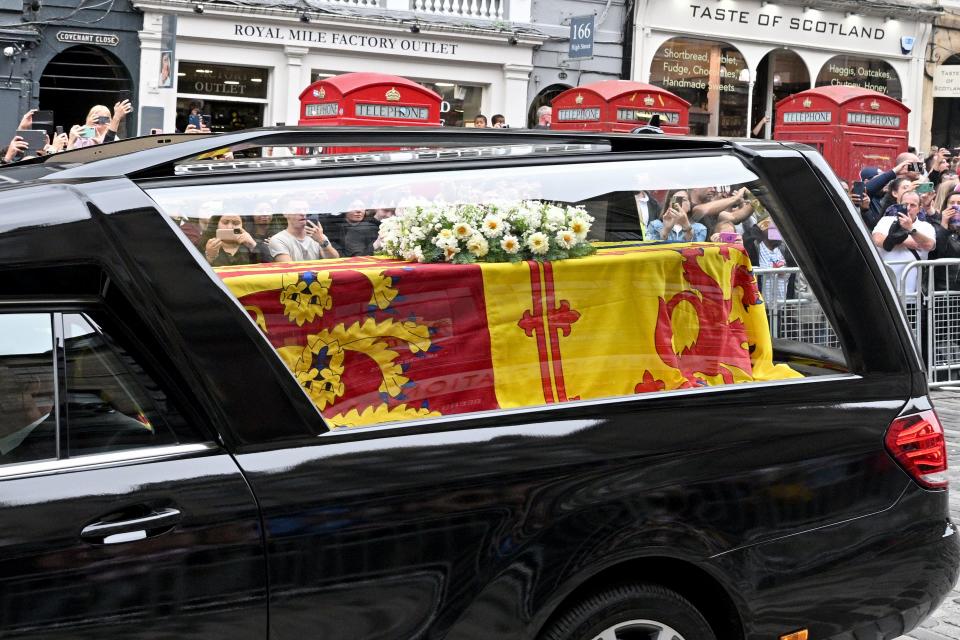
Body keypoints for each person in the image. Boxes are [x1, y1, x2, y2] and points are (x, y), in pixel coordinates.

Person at [872, 189, 936, 297]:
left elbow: (929, 245)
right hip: (886, 288)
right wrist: (905, 241)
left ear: (919, 209)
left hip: (913, 293)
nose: (908, 208)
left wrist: (911, 229)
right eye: (905, 204)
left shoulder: (926, 226)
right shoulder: (886, 220)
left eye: (913, 205)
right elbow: (876, 240)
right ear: (898, 205)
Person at [269, 198, 340, 262]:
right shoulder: (279, 239)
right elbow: (288, 268)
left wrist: (322, 241)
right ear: (286, 214)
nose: (303, 213)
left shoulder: (318, 236)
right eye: (297, 210)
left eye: (305, 210)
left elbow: (335, 261)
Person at [201, 215, 270, 266]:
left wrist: (253, 245)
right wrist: (209, 257)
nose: (230, 227)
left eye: (236, 223)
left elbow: (270, 265)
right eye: (225, 222)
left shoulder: (252, 243)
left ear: (243, 226)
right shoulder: (205, 244)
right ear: (217, 225)